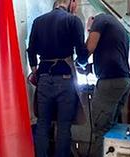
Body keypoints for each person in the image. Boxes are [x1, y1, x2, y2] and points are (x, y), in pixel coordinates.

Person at [26, 0, 88, 157]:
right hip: (65, 78)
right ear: (71, 3)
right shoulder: (73, 21)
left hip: (44, 78)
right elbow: (81, 54)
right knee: (64, 125)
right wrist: (82, 62)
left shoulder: (38, 21)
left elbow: (31, 51)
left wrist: (35, 71)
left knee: (42, 124)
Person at [86, 13, 130, 157]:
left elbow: (89, 47)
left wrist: (80, 60)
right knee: (111, 129)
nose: (89, 32)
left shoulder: (100, 20)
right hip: (124, 80)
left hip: (110, 82)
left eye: (89, 30)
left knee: (101, 129)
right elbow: (113, 55)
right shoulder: (120, 28)